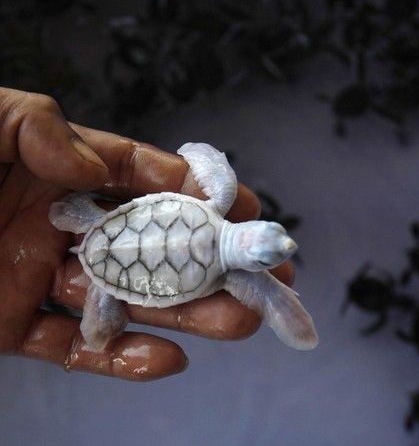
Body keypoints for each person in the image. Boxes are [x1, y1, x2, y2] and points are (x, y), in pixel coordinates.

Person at [0, 86, 295, 380]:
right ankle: (103, 301)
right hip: (120, 265)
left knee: (102, 325)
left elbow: (202, 155)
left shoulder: (219, 204)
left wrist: (195, 152)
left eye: (272, 253)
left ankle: (97, 269)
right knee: (101, 327)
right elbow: (271, 295)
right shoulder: (235, 273)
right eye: (276, 234)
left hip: (107, 226)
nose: (289, 244)